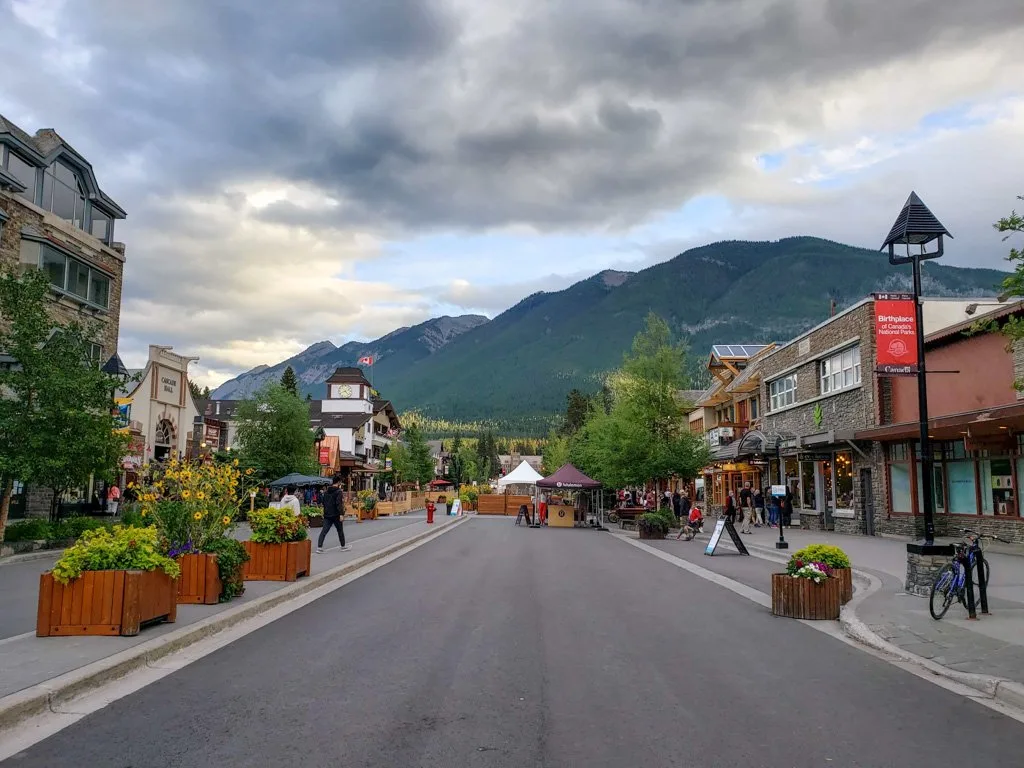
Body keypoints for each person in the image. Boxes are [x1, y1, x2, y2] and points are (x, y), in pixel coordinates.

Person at [317, 475, 350, 553]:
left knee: (324, 531)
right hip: (336, 514)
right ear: (338, 482)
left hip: (327, 514)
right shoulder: (338, 492)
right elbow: (339, 503)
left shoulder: (326, 492)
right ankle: (343, 546)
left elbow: (323, 502)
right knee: (340, 530)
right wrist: (341, 514)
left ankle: (319, 547)